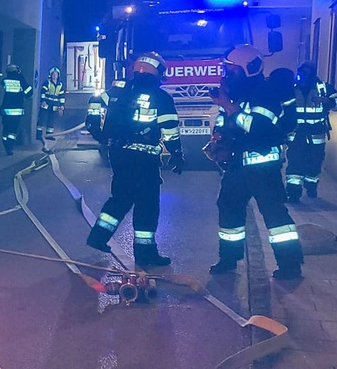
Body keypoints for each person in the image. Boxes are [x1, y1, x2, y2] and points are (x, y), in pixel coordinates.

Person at [208, 45, 304, 280]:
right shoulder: (237, 92)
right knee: (228, 210)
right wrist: (219, 136)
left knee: (275, 217)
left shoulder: (266, 92)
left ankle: (290, 265)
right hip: (237, 167)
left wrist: (230, 108)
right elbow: (226, 121)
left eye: (232, 71)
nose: (228, 75)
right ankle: (228, 259)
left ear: (248, 69)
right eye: (226, 70)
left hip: (263, 168)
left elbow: (258, 127)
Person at [85, 52, 184, 266]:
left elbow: (95, 100)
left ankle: (98, 236)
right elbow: (170, 131)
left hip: (118, 154)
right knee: (147, 204)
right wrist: (177, 154)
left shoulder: (119, 90)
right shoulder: (161, 97)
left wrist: (94, 126)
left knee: (121, 197)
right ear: (158, 73)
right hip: (144, 159)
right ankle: (145, 253)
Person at [285, 61, 337, 201]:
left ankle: (311, 185)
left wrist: (328, 102)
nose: (304, 76)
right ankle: (293, 193)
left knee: (314, 163)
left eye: (308, 73)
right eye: (302, 73)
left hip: (316, 133)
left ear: (313, 74)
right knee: (295, 163)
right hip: (296, 134)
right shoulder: (291, 88)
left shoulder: (323, 88)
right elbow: (283, 106)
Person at [0, 64, 33, 155]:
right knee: (13, 130)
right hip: (17, 110)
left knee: (5, 129)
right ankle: (10, 147)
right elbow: (29, 92)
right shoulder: (20, 80)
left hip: (6, 110)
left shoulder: (4, 80)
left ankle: (5, 144)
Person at [37, 67, 66, 140]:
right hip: (46, 104)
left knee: (51, 120)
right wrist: (43, 100)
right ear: (51, 75)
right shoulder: (47, 83)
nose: (55, 76)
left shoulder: (60, 85)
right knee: (42, 119)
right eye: (53, 74)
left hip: (54, 105)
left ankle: (49, 135)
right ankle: (39, 135)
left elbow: (62, 95)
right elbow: (43, 93)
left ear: (58, 75)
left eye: (56, 74)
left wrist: (62, 105)